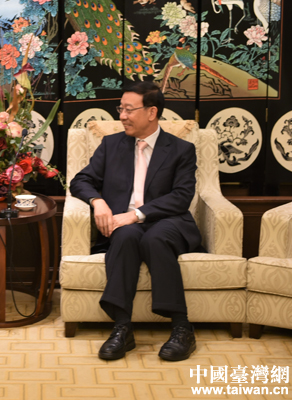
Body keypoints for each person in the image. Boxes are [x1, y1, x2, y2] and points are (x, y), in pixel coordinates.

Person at [70, 81, 202, 361]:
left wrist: (136, 214)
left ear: (152, 112)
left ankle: (181, 328)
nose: (122, 116)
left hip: (167, 221)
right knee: (125, 236)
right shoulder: (111, 145)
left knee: (155, 238)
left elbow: (181, 197)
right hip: (124, 225)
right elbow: (81, 180)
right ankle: (122, 328)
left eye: (129, 110)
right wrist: (98, 202)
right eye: (121, 109)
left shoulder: (181, 149)